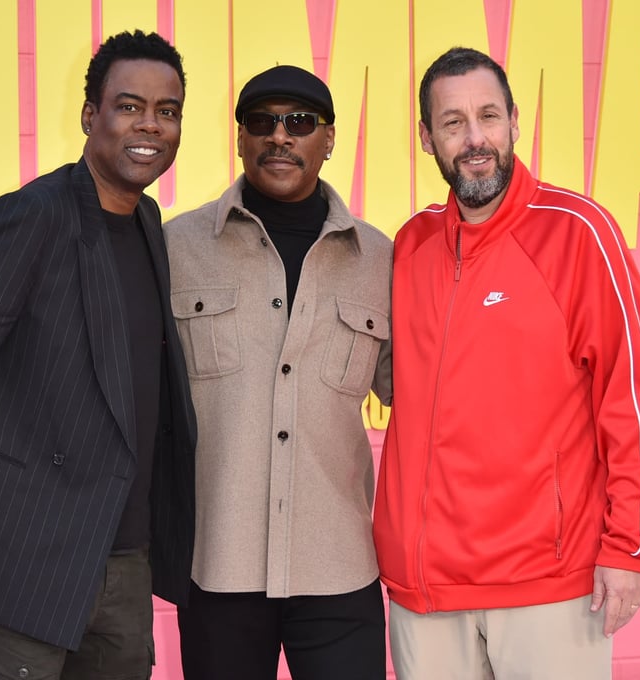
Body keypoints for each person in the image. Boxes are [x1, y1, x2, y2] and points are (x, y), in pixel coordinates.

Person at [0, 29, 196, 680]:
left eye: (166, 111)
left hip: (125, 558)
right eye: (129, 106)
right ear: (90, 116)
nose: (150, 125)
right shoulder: (31, 217)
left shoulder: (149, 224)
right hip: (29, 560)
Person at [373, 46, 640, 679]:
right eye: (452, 122)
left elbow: (631, 398)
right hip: (427, 594)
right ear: (426, 138)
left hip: (548, 585)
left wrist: (628, 547)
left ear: (514, 121)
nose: (474, 139)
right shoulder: (410, 245)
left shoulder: (578, 232)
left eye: (488, 116)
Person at [163, 65, 392, 680]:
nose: (280, 136)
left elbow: (419, 392)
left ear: (329, 138)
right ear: (240, 138)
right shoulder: (176, 247)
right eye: (262, 122)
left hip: (339, 568)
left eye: (300, 122)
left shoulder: (381, 259)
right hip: (219, 567)